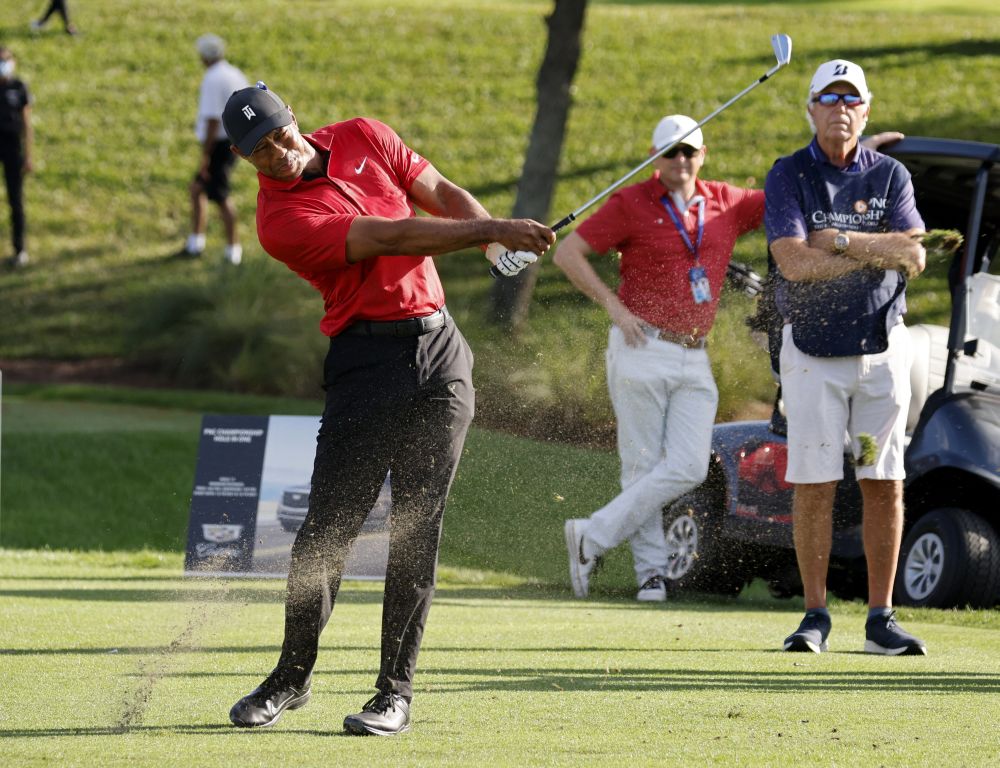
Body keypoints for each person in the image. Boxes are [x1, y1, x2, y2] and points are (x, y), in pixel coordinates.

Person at [221, 82, 553, 735]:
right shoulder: (278, 222)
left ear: (295, 117)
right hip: (365, 365)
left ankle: (393, 694)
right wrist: (491, 229)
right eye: (259, 153)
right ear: (245, 161)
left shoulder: (365, 135)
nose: (278, 155)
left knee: (415, 528)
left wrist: (489, 240)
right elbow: (393, 235)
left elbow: (441, 191)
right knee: (328, 531)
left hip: (441, 358)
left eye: (280, 136)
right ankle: (291, 677)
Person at [557, 115, 766, 603]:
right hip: (641, 345)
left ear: (703, 153)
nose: (680, 161)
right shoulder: (630, 203)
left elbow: (789, 188)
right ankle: (651, 573)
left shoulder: (726, 202)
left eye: (688, 151)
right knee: (641, 464)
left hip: (696, 355)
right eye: (670, 152)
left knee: (690, 466)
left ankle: (592, 535)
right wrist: (614, 308)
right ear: (655, 157)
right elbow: (569, 253)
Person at [764, 59, 927, 655]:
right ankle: (815, 616)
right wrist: (873, 250)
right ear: (811, 109)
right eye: (828, 98)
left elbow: (914, 255)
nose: (840, 108)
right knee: (816, 482)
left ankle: (881, 619)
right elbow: (793, 264)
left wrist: (834, 239)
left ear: (866, 109)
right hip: (812, 358)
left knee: (881, 479)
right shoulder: (789, 174)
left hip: (880, 354)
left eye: (850, 99)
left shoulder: (890, 176)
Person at [180, 34, 247, 264]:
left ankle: (233, 250)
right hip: (236, 139)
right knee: (197, 188)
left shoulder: (212, 79)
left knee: (220, 195)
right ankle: (195, 242)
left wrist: (205, 156)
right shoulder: (234, 73)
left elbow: (212, 120)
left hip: (219, 144)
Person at [0, 47, 33, 269]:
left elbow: (27, 125)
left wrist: (29, 155)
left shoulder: (19, 87)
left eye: (6, 60)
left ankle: (19, 249)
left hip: (13, 148)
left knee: (16, 201)